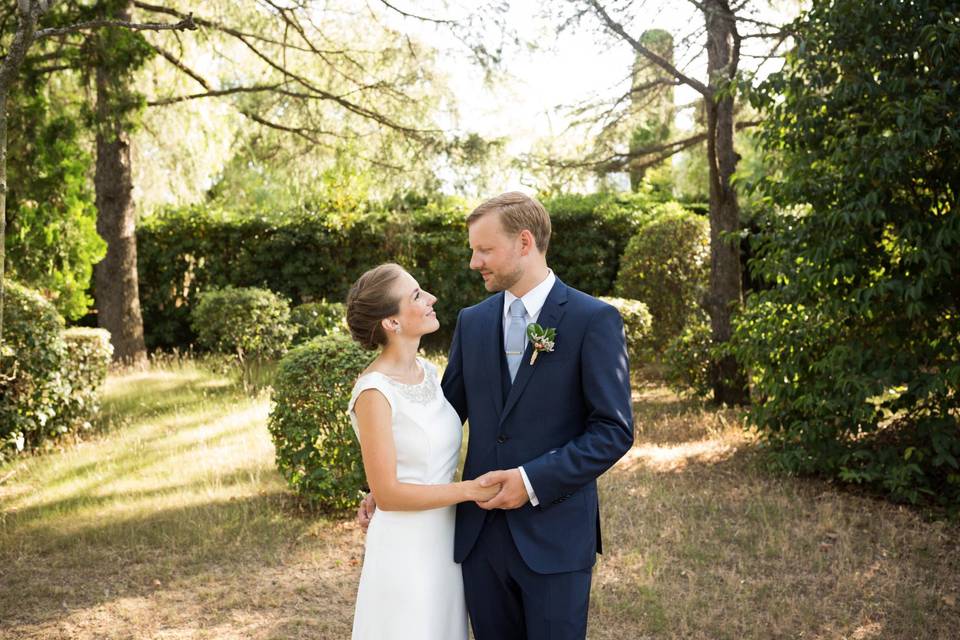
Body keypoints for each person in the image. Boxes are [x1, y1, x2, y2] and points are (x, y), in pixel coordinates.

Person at [358, 192, 634, 639]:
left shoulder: (593, 319)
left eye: (484, 250)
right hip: (479, 540)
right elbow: (440, 415)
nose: (473, 261)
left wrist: (529, 481)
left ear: (525, 243)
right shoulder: (473, 321)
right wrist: (387, 485)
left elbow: (612, 432)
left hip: (555, 539)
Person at [345, 262, 501, 640]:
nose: (431, 298)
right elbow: (390, 493)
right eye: (416, 295)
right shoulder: (373, 392)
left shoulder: (429, 372)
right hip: (405, 547)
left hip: (445, 540)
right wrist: (469, 490)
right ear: (391, 323)